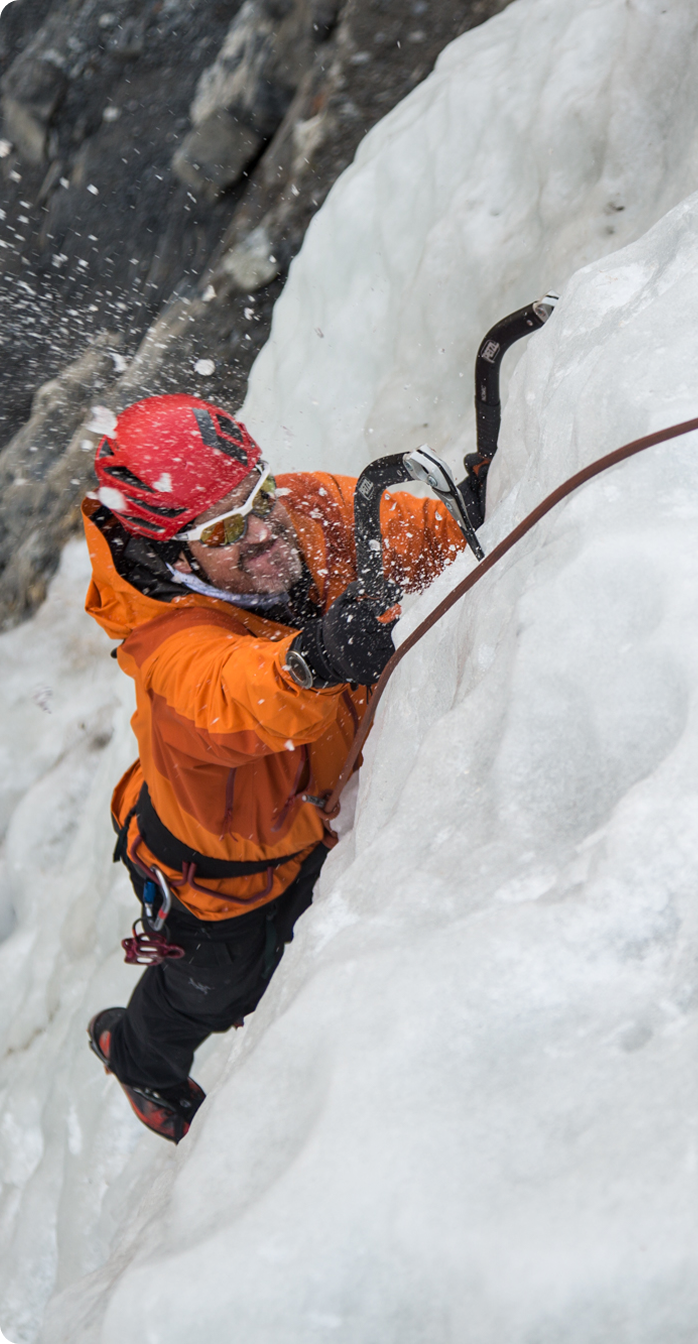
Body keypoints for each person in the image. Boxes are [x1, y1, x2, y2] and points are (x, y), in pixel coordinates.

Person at [84, 394, 464, 1142]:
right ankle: (136, 1055)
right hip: (215, 879)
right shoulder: (170, 651)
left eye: (259, 496)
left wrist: (482, 504)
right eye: (225, 529)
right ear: (171, 553)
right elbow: (240, 689)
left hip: (304, 820)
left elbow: (417, 538)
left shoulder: (301, 514)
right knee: (219, 993)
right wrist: (312, 659)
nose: (263, 532)